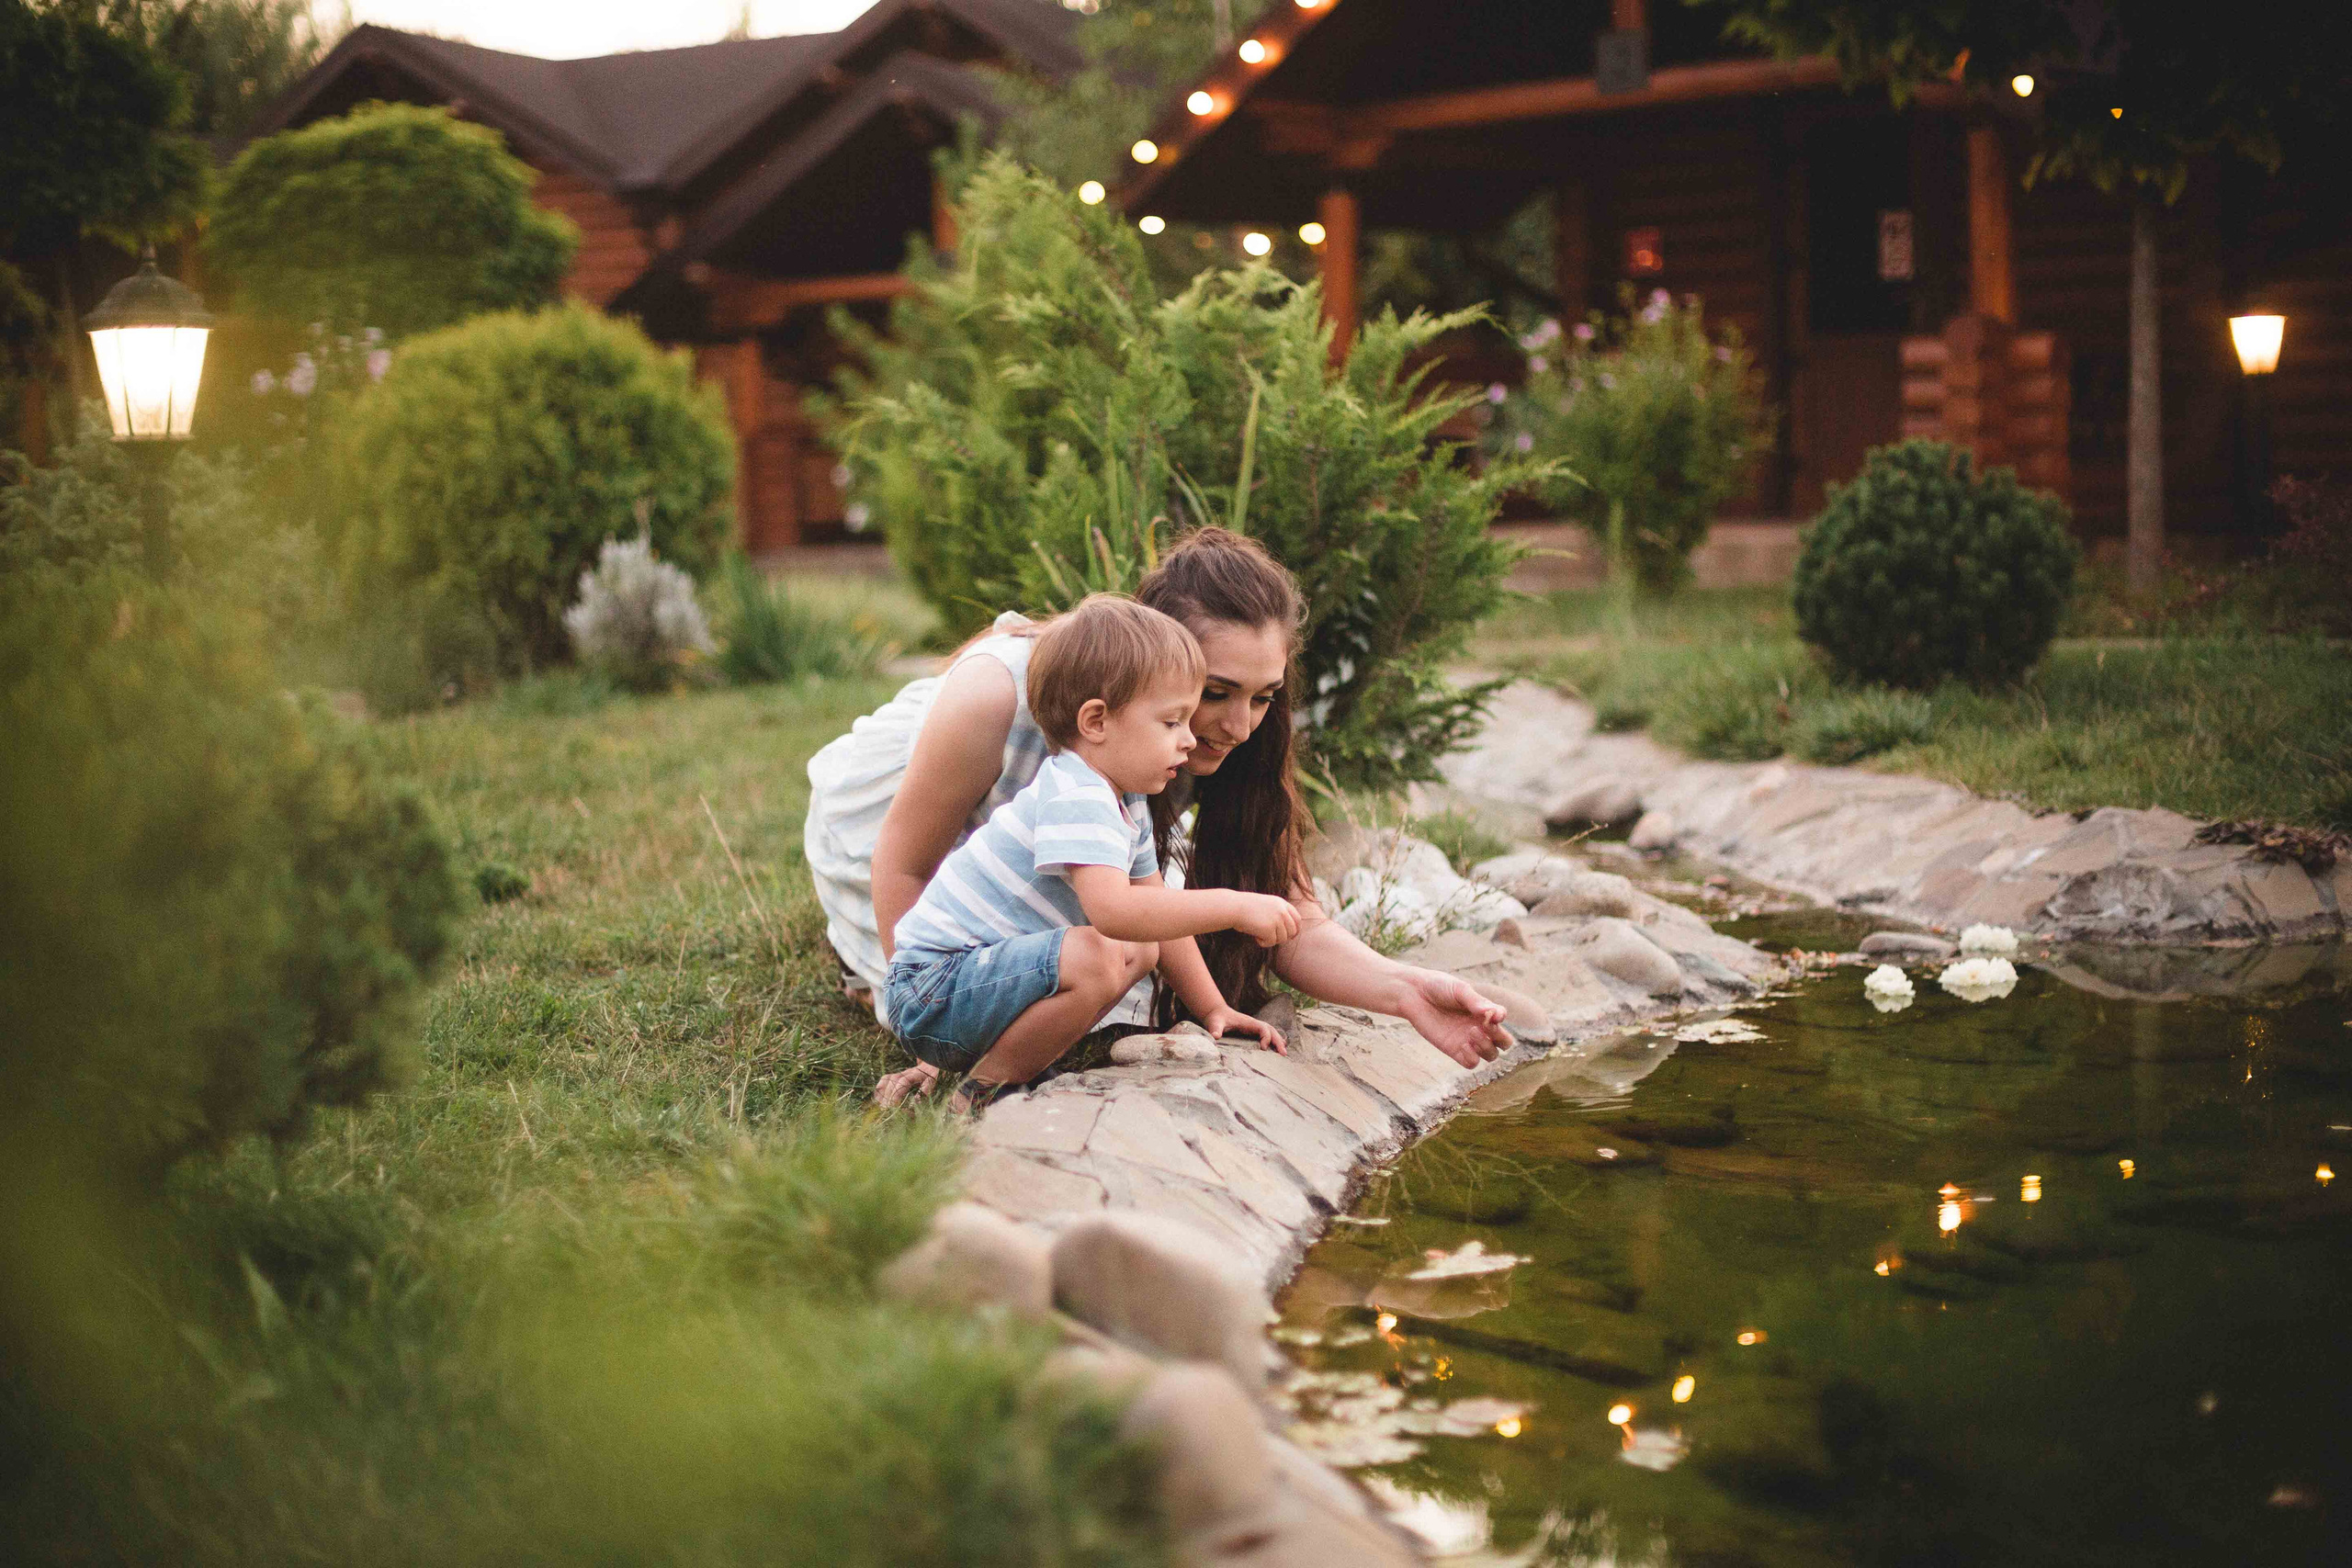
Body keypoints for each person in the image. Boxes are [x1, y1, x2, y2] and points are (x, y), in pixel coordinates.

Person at [803, 526, 1510, 1108]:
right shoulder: (999, 697)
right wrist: (923, 1039)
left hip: (1029, 872)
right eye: (1217, 690)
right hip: (886, 836)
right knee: (1079, 956)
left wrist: (1409, 991)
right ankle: (868, 971)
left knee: (1120, 947)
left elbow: (1286, 916)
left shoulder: (1154, 756)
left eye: (1263, 697)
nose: (1239, 725)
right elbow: (904, 862)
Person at [884, 595, 1295, 1111]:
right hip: (931, 992)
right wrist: (1235, 906)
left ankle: (1017, 1064)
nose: (1190, 740)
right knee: (1102, 950)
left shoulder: (1125, 799)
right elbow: (1116, 911)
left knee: (1140, 949)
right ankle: (979, 1093)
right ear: (1097, 721)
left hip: (976, 985)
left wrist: (1215, 1007)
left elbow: (1154, 907)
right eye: (1172, 722)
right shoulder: (1075, 795)